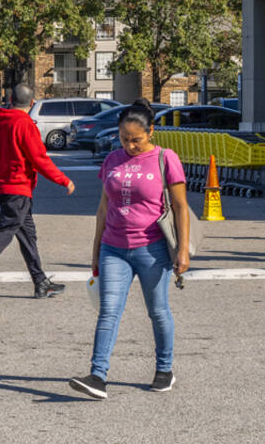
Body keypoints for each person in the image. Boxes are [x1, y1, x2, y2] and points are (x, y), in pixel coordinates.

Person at [70, 101, 190, 400]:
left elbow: (180, 207)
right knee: (108, 312)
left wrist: (183, 250)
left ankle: (164, 370)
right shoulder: (112, 159)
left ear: (151, 131)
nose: (131, 145)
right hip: (114, 247)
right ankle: (98, 376)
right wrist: (96, 250)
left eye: (137, 139)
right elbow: (102, 208)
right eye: (125, 139)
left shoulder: (165, 158)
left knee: (158, 311)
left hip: (152, 249)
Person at [0, 83, 75, 305]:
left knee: (28, 235)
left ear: (10, 99)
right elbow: (39, 159)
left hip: (2, 189)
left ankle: (41, 283)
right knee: (5, 233)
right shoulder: (25, 124)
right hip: (17, 189)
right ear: (32, 103)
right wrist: (63, 179)